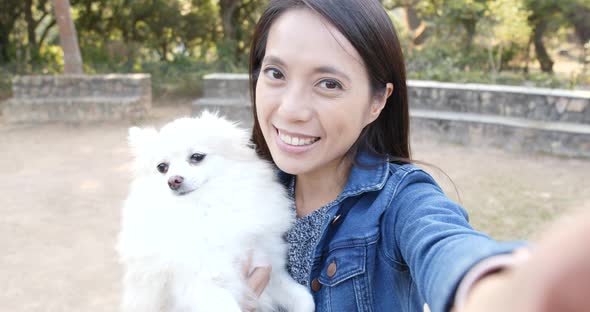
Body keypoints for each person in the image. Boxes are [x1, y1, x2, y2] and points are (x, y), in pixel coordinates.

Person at [238, 0, 590, 311]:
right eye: (276, 73)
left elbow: (447, 247)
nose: (291, 109)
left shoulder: (401, 202)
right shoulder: (234, 189)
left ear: (377, 101)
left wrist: (503, 290)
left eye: (329, 83)